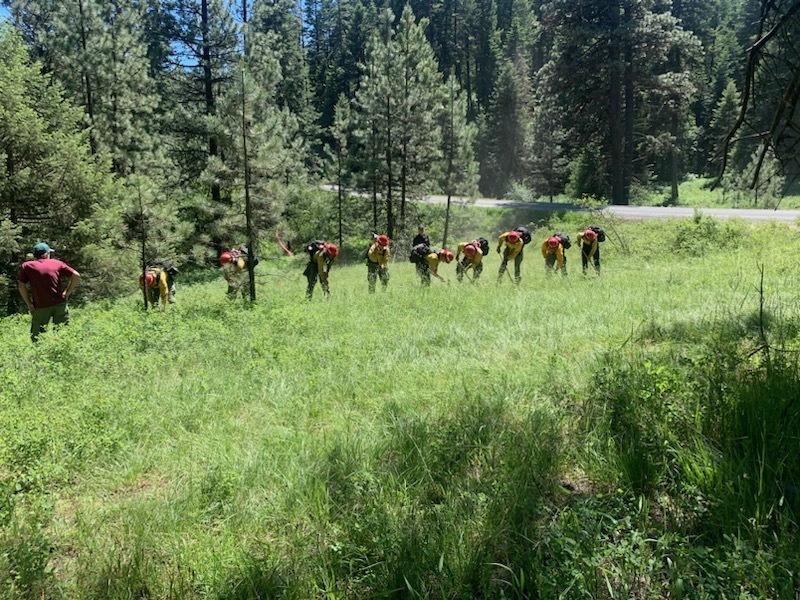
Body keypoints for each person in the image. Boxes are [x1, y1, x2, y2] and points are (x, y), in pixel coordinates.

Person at [17, 242, 81, 341]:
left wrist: (29, 304)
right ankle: (62, 354)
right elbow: (76, 275)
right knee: (63, 333)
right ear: (47, 254)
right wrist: (67, 292)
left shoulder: (27, 266)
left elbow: (21, 286)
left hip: (40, 306)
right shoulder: (57, 263)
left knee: (38, 337)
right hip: (59, 303)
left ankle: (39, 355)